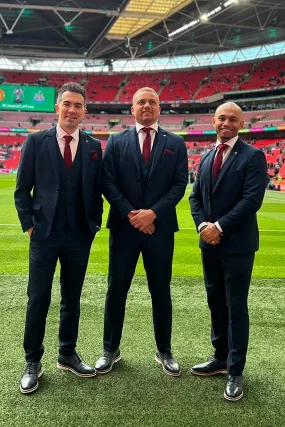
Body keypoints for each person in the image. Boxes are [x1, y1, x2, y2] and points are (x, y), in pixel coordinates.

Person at [14, 82, 103, 394]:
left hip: (79, 234)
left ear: (84, 111)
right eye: (67, 104)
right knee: (38, 297)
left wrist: (94, 225)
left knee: (72, 298)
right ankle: (32, 360)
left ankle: (67, 353)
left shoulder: (93, 146)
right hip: (45, 233)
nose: (72, 110)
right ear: (57, 108)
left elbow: (95, 191)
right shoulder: (36, 141)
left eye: (78, 105)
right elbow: (22, 189)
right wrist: (30, 225)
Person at [95, 87, 188, 377]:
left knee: (161, 291)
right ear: (132, 109)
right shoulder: (117, 140)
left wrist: (153, 213)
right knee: (116, 290)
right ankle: (110, 349)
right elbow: (108, 182)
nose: (147, 106)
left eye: (152, 102)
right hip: (124, 228)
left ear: (159, 108)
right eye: (141, 102)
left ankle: (164, 350)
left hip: (160, 229)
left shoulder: (176, 142)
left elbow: (179, 185)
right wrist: (132, 214)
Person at [190, 102, 267, 401]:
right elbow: (195, 197)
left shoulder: (253, 156)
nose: (227, 123)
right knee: (215, 303)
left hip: (236, 246)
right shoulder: (207, 156)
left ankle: (235, 370)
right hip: (208, 245)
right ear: (214, 120)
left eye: (233, 119)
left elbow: (251, 201)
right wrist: (202, 227)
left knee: (236, 307)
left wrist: (218, 227)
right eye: (222, 118)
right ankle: (220, 357)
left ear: (241, 123)